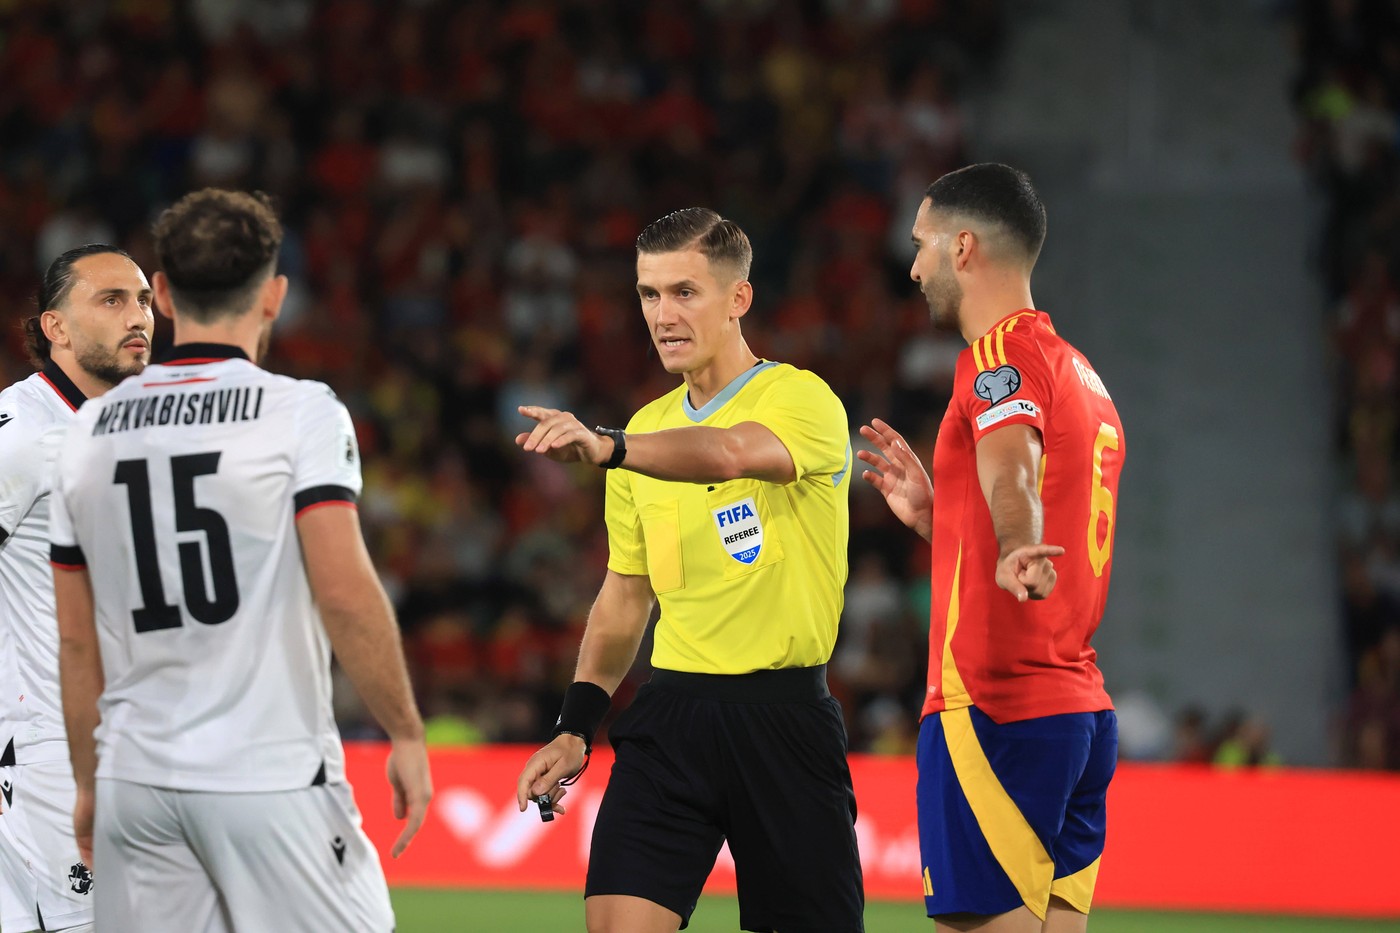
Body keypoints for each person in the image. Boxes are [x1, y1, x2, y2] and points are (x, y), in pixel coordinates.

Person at [48, 189, 432, 932]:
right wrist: (406, 730)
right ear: (274, 296)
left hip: (136, 778)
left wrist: (89, 785)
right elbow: (344, 593)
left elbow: (75, 639)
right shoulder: (300, 411)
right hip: (268, 772)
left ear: (162, 295)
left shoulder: (89, 429)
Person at [513, 207, 864, 933]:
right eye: (649, 294)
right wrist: (575, 727)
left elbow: (729, 453)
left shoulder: (800, 399)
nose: (662, 315)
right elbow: (625, 595)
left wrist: (610, 448)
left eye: (684, 292)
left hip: (783, 722)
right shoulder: (644, 429)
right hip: (672, 718)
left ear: (739, 299)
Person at [857, 163, 1124, 932]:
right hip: (1076, 711)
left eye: (921, 245)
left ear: (963, 247)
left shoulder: (996, 355)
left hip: (995, 707)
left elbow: (1014, 467)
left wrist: (1015, 537)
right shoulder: (1082, 374)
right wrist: (941, 519)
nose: (913, 268)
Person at [0, 244, 154, 933]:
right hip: (50, 753)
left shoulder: (137, 429)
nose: (137, 316)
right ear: (55, 326)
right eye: (111, 300)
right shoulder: (24, 432)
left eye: (143, 299)